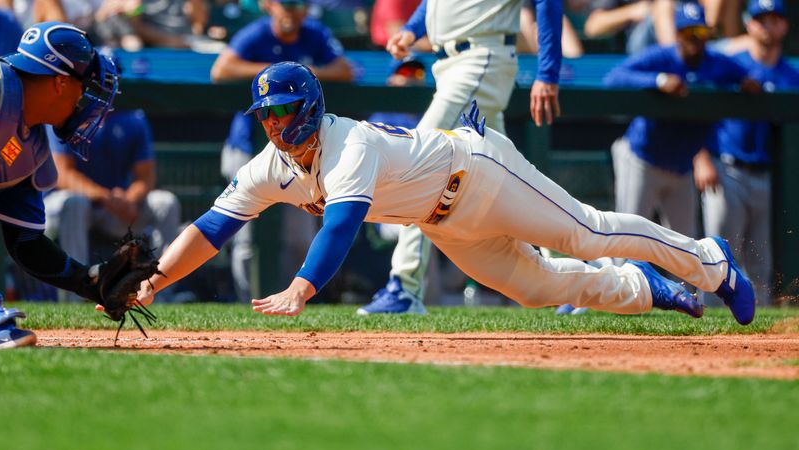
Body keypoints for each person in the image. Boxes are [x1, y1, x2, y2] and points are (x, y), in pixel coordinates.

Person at [135, 61, 757, 329]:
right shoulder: (267, 166)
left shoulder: (346, 142)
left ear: (311, 107)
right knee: (536, 289)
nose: (274, 123)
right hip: (445, 223)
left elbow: (342, 224)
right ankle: (649, 289)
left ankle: (710, 260)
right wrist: (152, 282)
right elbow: (212, 228)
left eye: (284, 110)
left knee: (588, 232)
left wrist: (303, 287)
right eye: (265, 114)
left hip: (478, 172)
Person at [359, 0, 564, 315]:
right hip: (451, 64)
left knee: (419, 163)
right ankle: (572, 276)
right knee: (515, 181)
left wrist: (548, 72)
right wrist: (412, 31)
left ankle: (405, 286)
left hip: (480, 58)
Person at [210, 0, 353, 302]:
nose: (289, 10)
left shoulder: (314, 33)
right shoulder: (256, 34)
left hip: (299, 150)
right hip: (248, 146)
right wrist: (277, 79)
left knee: (300, 238)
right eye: (283, 3)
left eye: (297, 3)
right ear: (268, 6)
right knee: (246, 235)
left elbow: (345, 70)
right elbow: (221, 69)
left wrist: (301, 74)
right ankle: (248, 302)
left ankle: (293, 299)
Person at [0, 22, 119, 347]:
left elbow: (26, 242)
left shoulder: (33, 147)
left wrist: (90, 281)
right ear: (60, 83)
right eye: (85, 88)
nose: (86, 102)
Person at [604, 2, 759, 242]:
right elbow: (614, 77)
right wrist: (658, 80)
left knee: (685, 249)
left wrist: (747, 82)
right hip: (644, 160)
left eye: (701, 33)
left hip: (683, 166)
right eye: (689, 33)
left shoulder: (715, 61)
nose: (696, 39)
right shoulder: (662, 57)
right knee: (626, 239)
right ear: (677, 34)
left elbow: (746, 76)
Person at [694, 0, 799, 306]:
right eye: (760, 18)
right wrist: (700, 158)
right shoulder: (732, 63)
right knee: (719, 253)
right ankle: (708, 316)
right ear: (749, 23)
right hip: (724, 168)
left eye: (774, 18)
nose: (767, 25)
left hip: (764, 174)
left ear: (785, 25)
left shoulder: (789, 75)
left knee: (760, 260)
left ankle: (759, 325)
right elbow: (698, 108)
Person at [43, 107, 181, 301]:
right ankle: (75, 296)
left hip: (117, 209)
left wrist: (130, 199)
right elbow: (62, 174)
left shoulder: (133, 117)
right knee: (75, 203)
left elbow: (146, 176)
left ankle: (159, 293)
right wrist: (106, 198)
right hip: (67, 209)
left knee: (166, 202)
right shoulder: (65, 109)